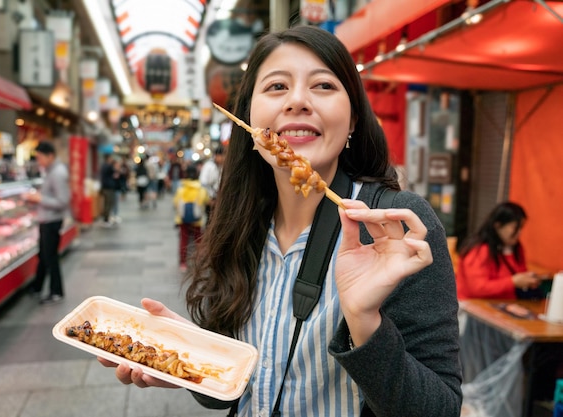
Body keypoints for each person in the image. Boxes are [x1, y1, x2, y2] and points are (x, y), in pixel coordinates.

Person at [100, 25, 462, 416]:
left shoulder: (393, 228)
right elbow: (235, 391)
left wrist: (364, 321)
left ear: (354, 118)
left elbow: (440, 409)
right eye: (276, 87)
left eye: (323, 85)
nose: (297, 101)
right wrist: (190, 355)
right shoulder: (239, 223)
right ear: (251, 119)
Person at [456, 201, 543, 300]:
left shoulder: (517, 248)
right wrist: (513, 282)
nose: (519, 233)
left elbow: (521, 271)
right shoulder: (479, 250)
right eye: (515, 227)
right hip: (476, 308)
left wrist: (527, 280)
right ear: (497, 225)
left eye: (521, 228)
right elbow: (477, 288)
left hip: (506, 304)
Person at [23, 141, 70, 304]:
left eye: (40, 157)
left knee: (50, 257)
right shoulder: (51, 171)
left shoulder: (57, 173)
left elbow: (63, 201)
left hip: (52, 221)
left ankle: (56, 291)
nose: (38, 161)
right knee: (44, 256)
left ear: (50, 156)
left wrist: (40, 198)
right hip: (47, 219)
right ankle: (37, 287)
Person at [173, 164, 210, 273]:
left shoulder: (181, 188)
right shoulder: (200, 188)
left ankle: (183, 262)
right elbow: (205, 200)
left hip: (182, 219)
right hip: (197, 220)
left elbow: (176, 202)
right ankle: (198, 261)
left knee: (184, 240)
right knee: (198, 240)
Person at [199, 145, 224, 224]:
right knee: (209, 220)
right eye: (222, 156)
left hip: (219, 198)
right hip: (210, 198)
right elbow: (203, 182)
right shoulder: (209, 166)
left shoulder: (222, 166)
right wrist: (208, 199)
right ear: (216, 156)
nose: (224, 158)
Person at [99, 154, 118, 226]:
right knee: (108, 203)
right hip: (108, 187)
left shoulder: (105, 166)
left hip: (107, 187)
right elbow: (114, 171)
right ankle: (106, 219)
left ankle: (107, 218)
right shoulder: (107, 166)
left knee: (108, 203)